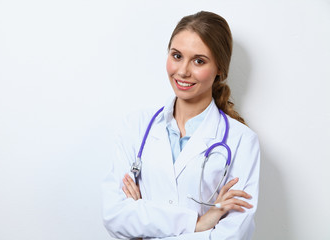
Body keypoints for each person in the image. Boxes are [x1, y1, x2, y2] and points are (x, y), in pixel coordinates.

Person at [102, 11, 260, 240]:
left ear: (220, 69)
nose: (183, 70)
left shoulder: (242, 141)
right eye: (177, 56)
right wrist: (198, 223)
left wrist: (143, 220)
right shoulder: (135, 126)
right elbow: (114, 215)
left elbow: (232, 235)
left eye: (199, 61)